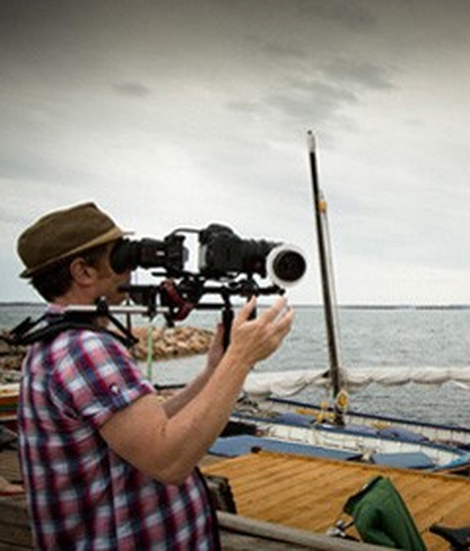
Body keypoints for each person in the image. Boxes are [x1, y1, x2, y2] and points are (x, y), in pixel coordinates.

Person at [15, 201, 295, 550]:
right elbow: (168, 460)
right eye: (120, 257)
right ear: (83, 272)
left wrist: (215, 371)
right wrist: (240, 359)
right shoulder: (85, 349)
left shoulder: (55, 340)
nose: (130, 269)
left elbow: (148, 425)